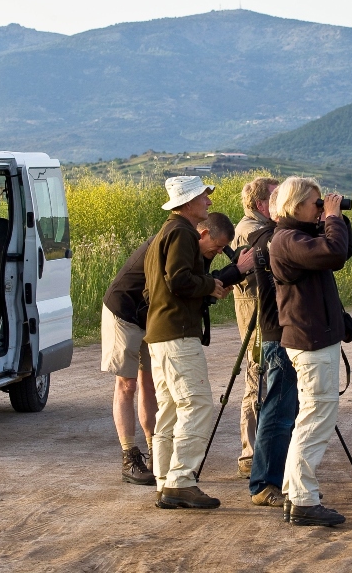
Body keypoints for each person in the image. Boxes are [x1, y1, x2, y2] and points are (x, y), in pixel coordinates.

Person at [270, 176, 352, 526]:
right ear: (297, 204)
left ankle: (295, 493)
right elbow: (333, 252)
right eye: (316, 203)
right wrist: (332, 218)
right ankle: (304, 499)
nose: (321, 207)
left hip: (313, 338)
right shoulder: (288, 239)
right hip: (310, 341)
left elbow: (343, 251)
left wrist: (334, 219)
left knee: (313, 415)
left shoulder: (299, 236)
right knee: (316, 417)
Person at [143, 176, 227, 509]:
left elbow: (153, 289)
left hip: (159, 332)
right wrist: (209, 285)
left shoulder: (164, 233)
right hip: (177, 333)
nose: (208, 202)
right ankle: (181, 480)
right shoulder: (181, 233)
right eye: (204, 197)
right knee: (197, 403)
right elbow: (178, 280)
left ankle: (164, 480)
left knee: (170, 409)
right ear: (189, 202)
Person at [247, 190, 298, 509]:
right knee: (278, 410)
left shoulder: (271, 236)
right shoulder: (275, 239)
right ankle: (264, 483)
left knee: (284, 409)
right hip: (279, 332)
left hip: (280, 330)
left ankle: (275, 479)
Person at [230, 176, 279, 479]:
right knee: (256, 380)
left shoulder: (263, 227)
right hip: (256, 318)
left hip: (268, 313)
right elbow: (274, 248)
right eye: (276, 198)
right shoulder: (250, 230)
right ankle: (250, 454)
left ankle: (266, 450)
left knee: (269, 378)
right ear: (261, 204)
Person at [101, 235, 158, 485]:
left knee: (151, 383)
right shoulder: (172, 238)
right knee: (127, 384)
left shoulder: (187, 240)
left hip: (148, 315)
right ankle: (129, 457)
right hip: (123, 311)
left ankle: (155, 451)